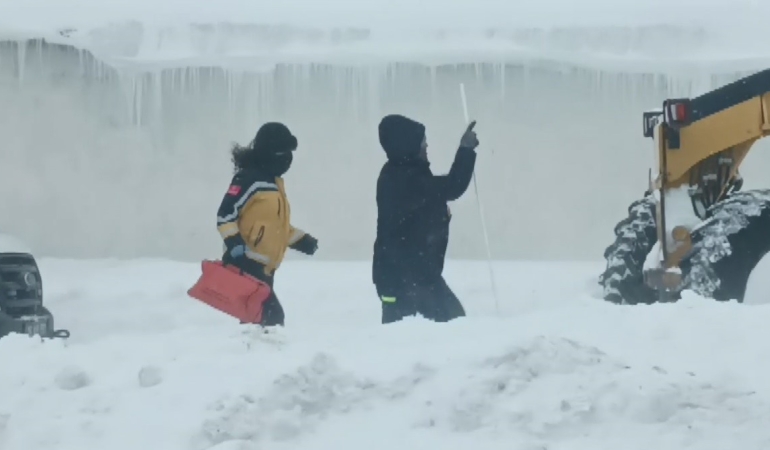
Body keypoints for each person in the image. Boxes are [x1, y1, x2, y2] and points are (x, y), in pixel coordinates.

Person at [372, 114, 480, 324]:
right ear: (409, 146)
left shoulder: (396, 173)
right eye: (422, 142)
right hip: (408, 279)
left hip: (402, 275)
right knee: (453, 324)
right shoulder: (406, 178)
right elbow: (453, 186)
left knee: (450, 322)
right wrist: (466, 150)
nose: (426, 145)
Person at [216, 122, 318, 327]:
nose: (287, 158)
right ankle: (256, 347)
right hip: (246, 264)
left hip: (266, 268)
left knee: (258, 321)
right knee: (270, 318)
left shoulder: (274, 184)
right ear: (269, 152)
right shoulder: (248, 179)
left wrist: (301, 240)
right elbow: (225, 215)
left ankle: (253, 347)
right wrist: (235, 244)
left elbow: (276, 227)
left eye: (290, 153)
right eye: (282, 152)